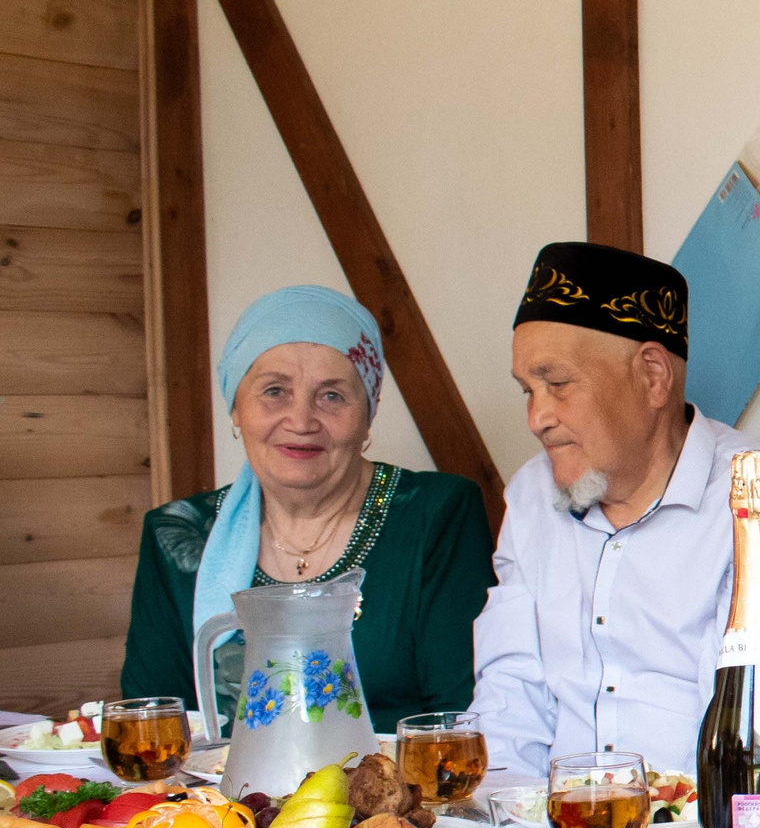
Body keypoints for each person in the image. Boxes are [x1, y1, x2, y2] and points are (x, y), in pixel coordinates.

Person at [471, 243, 760, 777]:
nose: (537, 417)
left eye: (556, 384)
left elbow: (757, 736)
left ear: (652, 375)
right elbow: (508, 705)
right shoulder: (532, 496)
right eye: (527, 391)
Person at [122, 285, 495, 733]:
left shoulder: (436, 514)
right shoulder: (177, 532)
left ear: (368, 412)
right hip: (221, 799)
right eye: (274, 391)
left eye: (332, 395)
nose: (301, 421)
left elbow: (456, 719)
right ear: (236, 409)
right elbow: (155, 724)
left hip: (391, 795)